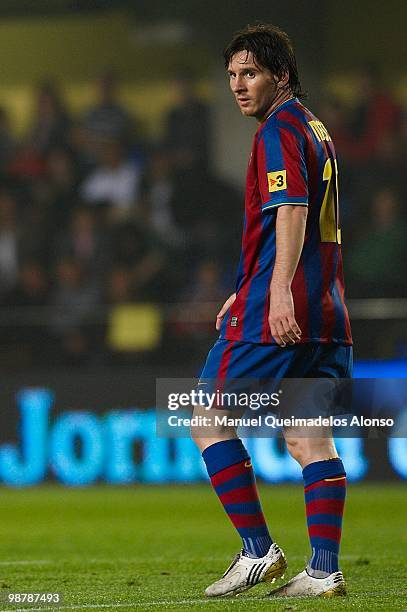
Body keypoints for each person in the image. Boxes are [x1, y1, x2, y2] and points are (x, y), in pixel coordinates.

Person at [191, 24, 352, 599]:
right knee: (309, 438)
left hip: (279, 309)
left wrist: (275, 286)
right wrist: (255, 281)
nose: (238, 85)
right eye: (232, 74)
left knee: (206, 415)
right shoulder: (314, 126)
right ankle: (323, 569)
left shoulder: (278, 131)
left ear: (280, 75)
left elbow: (291, 208)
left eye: (250, 73)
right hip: (326, 307)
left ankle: (258, 552)